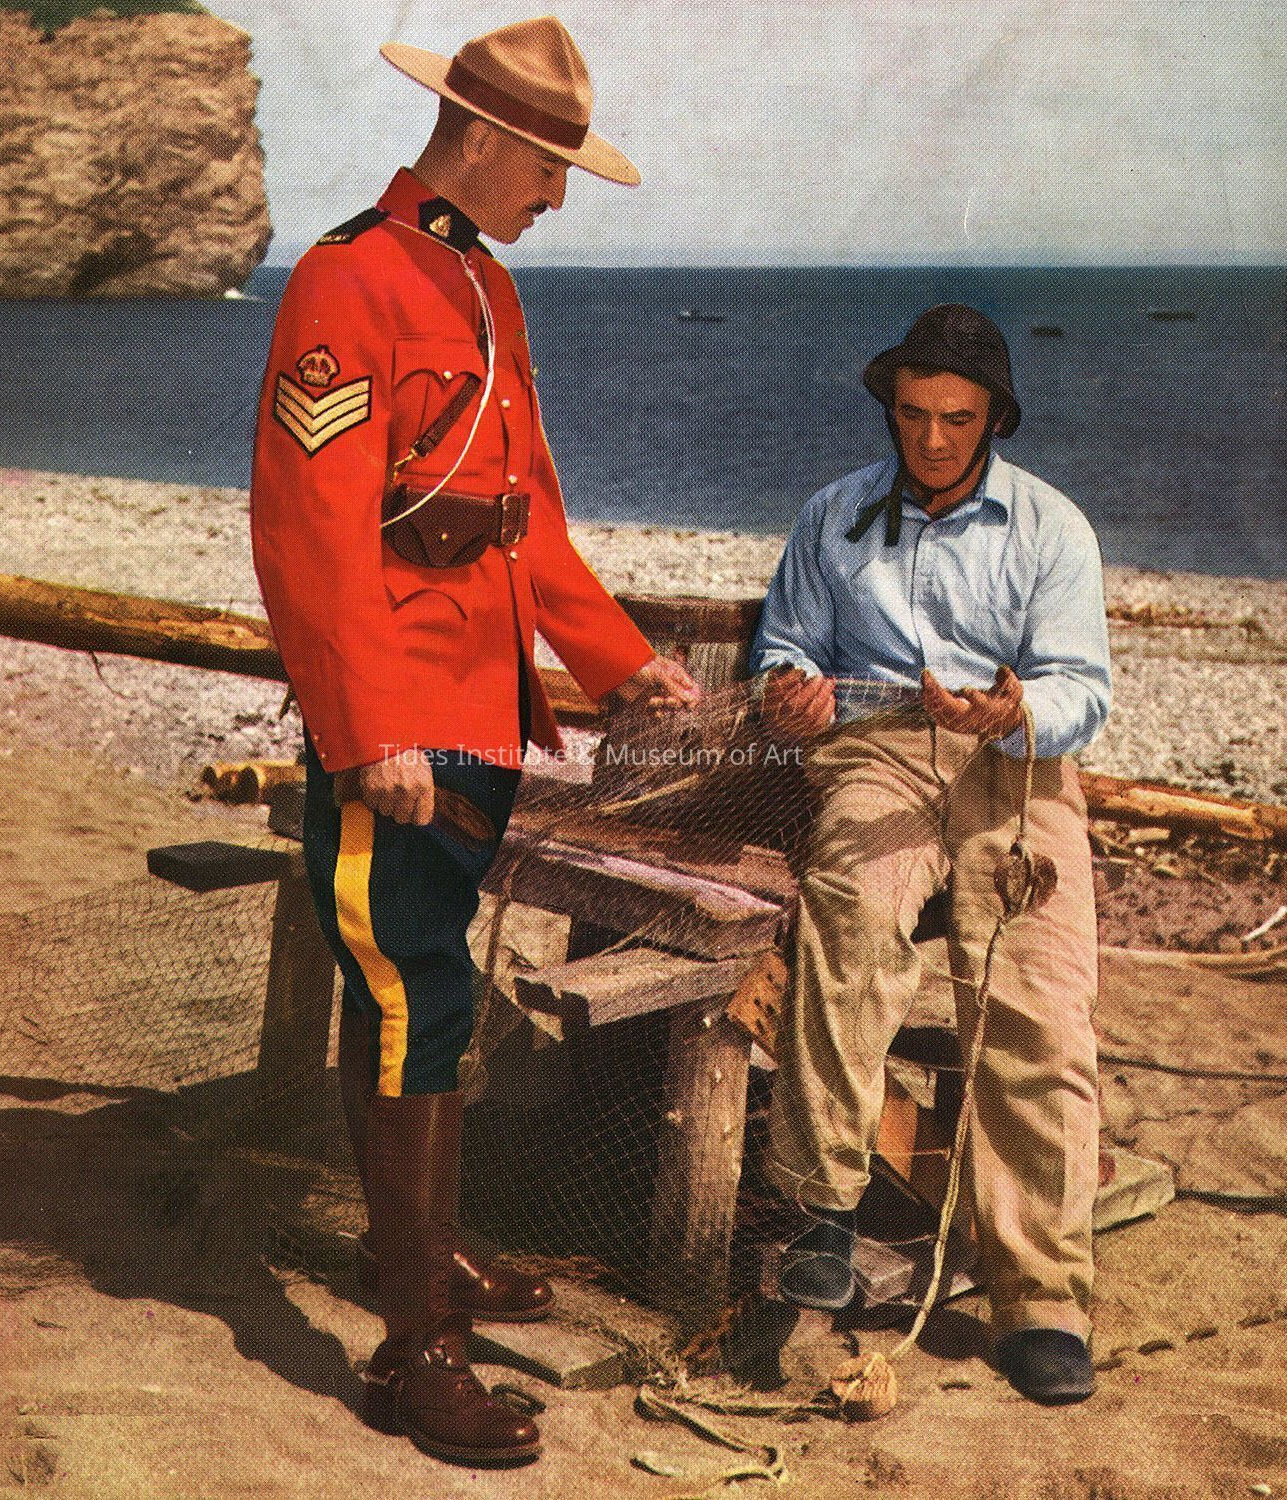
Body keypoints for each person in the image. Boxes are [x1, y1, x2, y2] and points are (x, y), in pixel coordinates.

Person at [250, 16, 698, 1466]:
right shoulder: (347, 278)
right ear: (487, 139)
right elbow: (311, 534)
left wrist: (620, 663)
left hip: (480, 714)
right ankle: (417, 1350)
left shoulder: (486, 288)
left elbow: (525, 523)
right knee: (411, 994)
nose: (558, 196)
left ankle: (419, 1254)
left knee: (420, 991)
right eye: (551, 168)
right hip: (399, 730)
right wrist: (366, 727)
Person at [749, 304, 1111, 1405]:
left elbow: (1083, 688)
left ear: (994, 417)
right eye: (913, 415)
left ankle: (1041, 1300)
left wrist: (1016, 708)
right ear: (891, 409)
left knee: (1039, 997)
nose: (934, 439)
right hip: (882, 752)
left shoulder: (1052, 527)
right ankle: (824, 1209)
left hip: (1015, 761)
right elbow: (786, 648)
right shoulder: (833, 515)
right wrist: (791, 696)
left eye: (957, 419)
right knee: (852, 916)